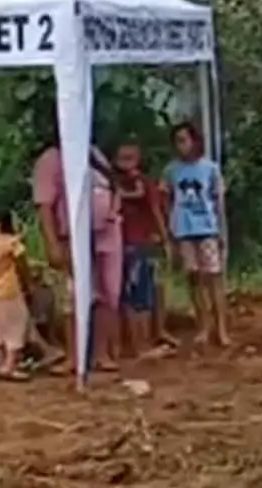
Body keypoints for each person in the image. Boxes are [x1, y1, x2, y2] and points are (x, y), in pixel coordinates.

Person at [31, 138, 125, 372]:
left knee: (107, 293)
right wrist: (52, 243)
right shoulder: (51, 159)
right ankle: (74, 356)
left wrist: (113, 211)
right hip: (72, 237)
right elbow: (44, 206)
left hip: (106, 234)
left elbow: (114, 186)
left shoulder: (94, 153)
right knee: (73, 297)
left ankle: (101, 353)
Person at [0, 208, 55, 381]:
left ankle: (2, 362)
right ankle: (9, 365)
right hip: (9, 290)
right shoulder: (11, 242)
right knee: (15, 327)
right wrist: (28, 283)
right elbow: (22, 264)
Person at [161, 123, 229, 348]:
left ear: (194, 141)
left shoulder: (210, 168)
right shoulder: (171, 171)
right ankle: (203, 326)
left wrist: (221, 230)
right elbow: (165, 199)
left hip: (207, 228)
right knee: (194, 278)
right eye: (177, 141)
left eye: (184, 140)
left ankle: (221, 328)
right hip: (183, 231)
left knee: (213, 279)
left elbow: (218, 201)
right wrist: (170, 228)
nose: (181, 146)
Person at [114, 141, 177, 356]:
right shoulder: (123, 184)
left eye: (129, 158)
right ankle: (140, 345)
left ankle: (145, 338)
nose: (125, 163)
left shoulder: (130, 184)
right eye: (122, 158)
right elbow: (153, 209)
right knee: (137, 295)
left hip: (137, 244)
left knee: (141, 293)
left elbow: (154, 210)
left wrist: (164, 239)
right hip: (130, 245)